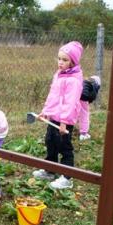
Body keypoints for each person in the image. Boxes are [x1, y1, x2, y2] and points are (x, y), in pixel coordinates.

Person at [32, 41, 84, 190]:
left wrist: (64, 122)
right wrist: (45, 111)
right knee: (50, 141)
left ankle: (67, 177)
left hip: (64, 120)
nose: (60, 62)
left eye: (65, 60)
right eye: (59, 59)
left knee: (64, 146)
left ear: (73, 62)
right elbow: (53, 96)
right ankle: (50, 169)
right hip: (53, 117)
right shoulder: (59, 75)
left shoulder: (73, 80)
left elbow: (70, 102)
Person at [78, 75, 101, 141]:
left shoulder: (85, 80)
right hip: (83, 97)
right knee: (85, 115)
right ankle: (83, 134)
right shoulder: (95, 85)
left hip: (75, 96)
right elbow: (93, 97)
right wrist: (88, 102)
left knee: (75, 112)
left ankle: (68, 127)